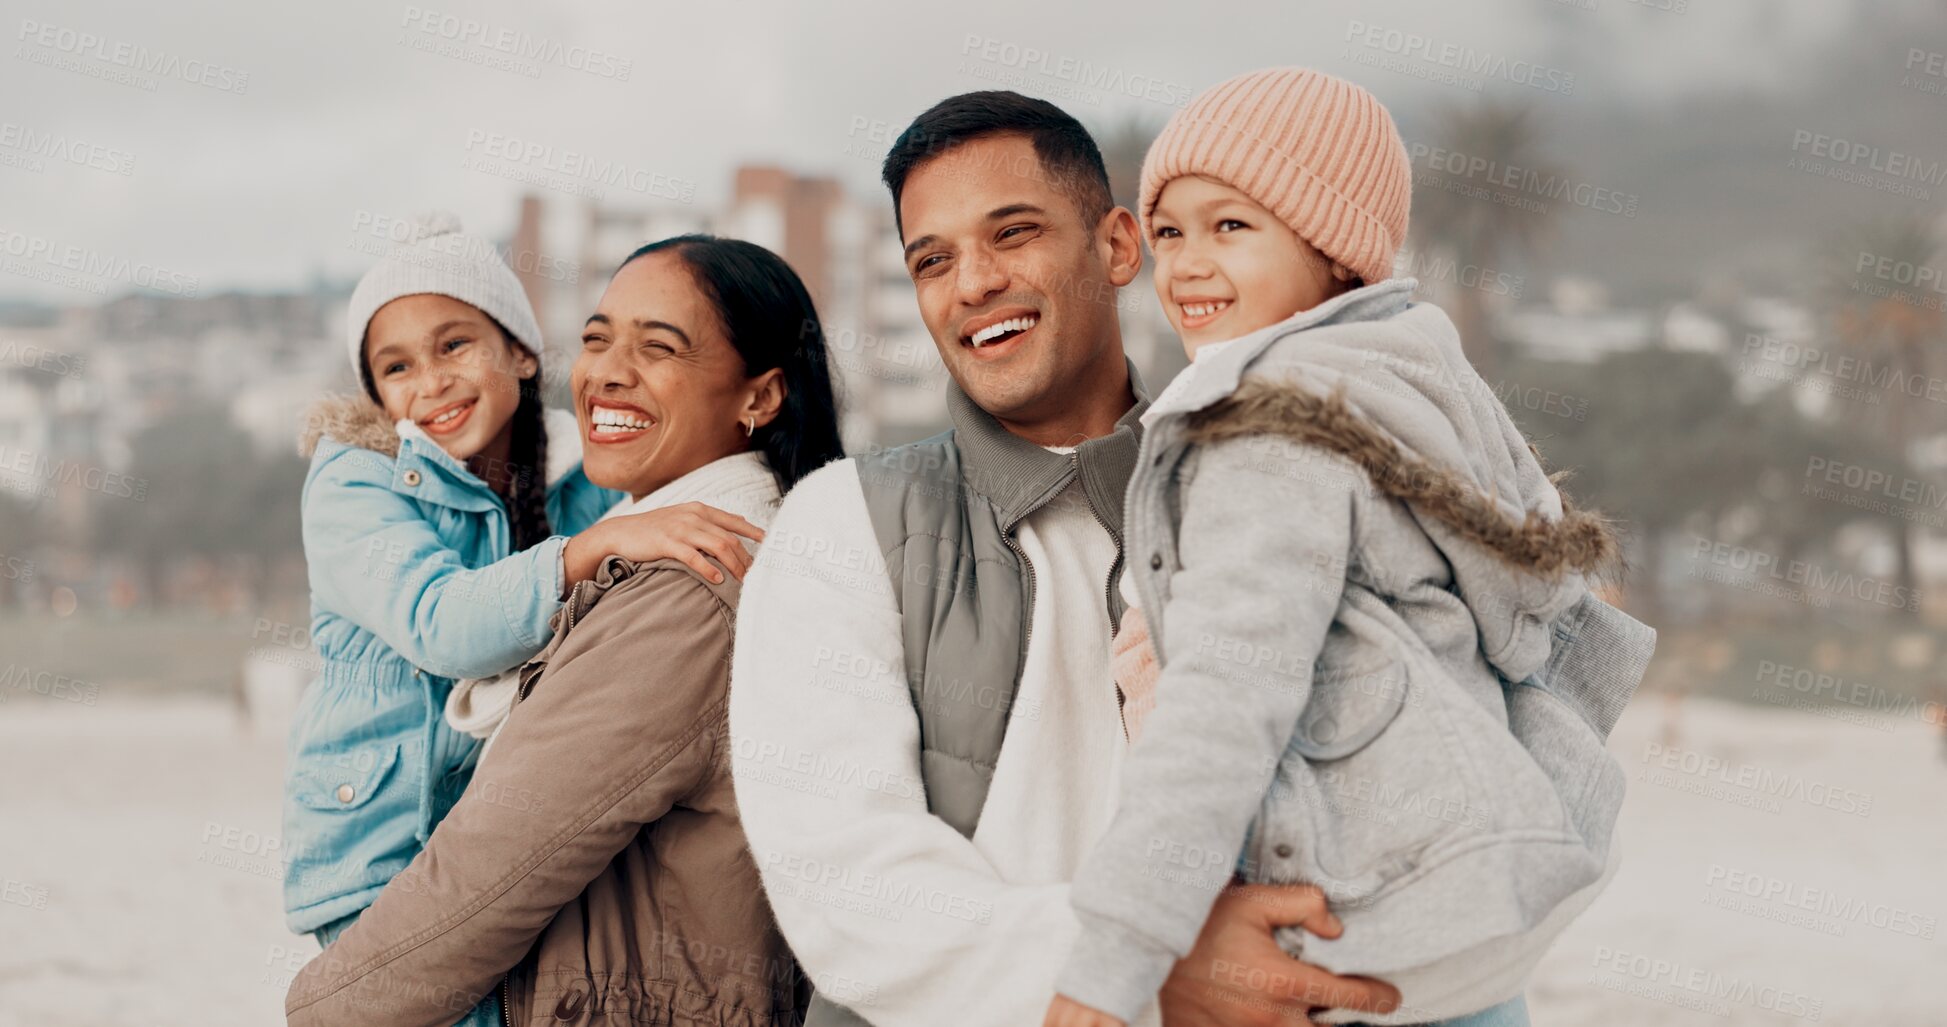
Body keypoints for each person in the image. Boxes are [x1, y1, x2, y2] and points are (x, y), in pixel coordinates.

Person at [728, 90, 1404, 1026]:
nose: (972, 283)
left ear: (1119, 247)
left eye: (1012, 233)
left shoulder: (1281, 499)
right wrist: (1149, 964)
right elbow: (845, 878)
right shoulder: (840, 525)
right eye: (933, 259)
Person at [1042, 68, 1655, 1027]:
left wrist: (1109, 964)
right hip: (1461, 932)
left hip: (1324, 931)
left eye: (1232, 226)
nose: (1188, 264)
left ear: (1333, 248)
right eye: (1170, 231)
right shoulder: (1418, 384)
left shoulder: (1265, 436)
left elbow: (1223, 711)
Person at [286, 234, 843, 1026]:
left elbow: (503, 859)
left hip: (494, 922)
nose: (431, 381)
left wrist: (319, 1011)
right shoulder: (362, 481)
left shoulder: (677, 571)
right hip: (378, 835)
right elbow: (439, 620)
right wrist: (591, 548)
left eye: (657, 346)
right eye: (596, 339)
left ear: (518, 354)